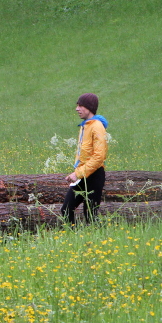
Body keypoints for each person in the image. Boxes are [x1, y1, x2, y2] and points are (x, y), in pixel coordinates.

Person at [61, 93, 109, 225]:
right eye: (77, 105)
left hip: (94, 175)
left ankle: (97, 236)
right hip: (83, 175)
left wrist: (78, 174)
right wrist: (77, 173)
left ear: (89, 107)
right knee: (66, 210)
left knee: (90, 215)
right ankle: (72, 235)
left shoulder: (97, 126)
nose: (77, 109)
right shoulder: (86, 125)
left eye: (80, 106)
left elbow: (99, 157)